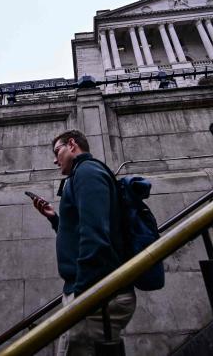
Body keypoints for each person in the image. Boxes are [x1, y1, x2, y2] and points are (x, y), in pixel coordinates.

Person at [31, 129, 136, 356]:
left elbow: (95, 234)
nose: (54, 158)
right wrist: (54, 218)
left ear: (72, 144)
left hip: (95, 293)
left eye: (57, 151)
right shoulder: (81, 175)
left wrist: (82, 293)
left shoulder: (87, 172)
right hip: (93, 290)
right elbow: (81, 233)